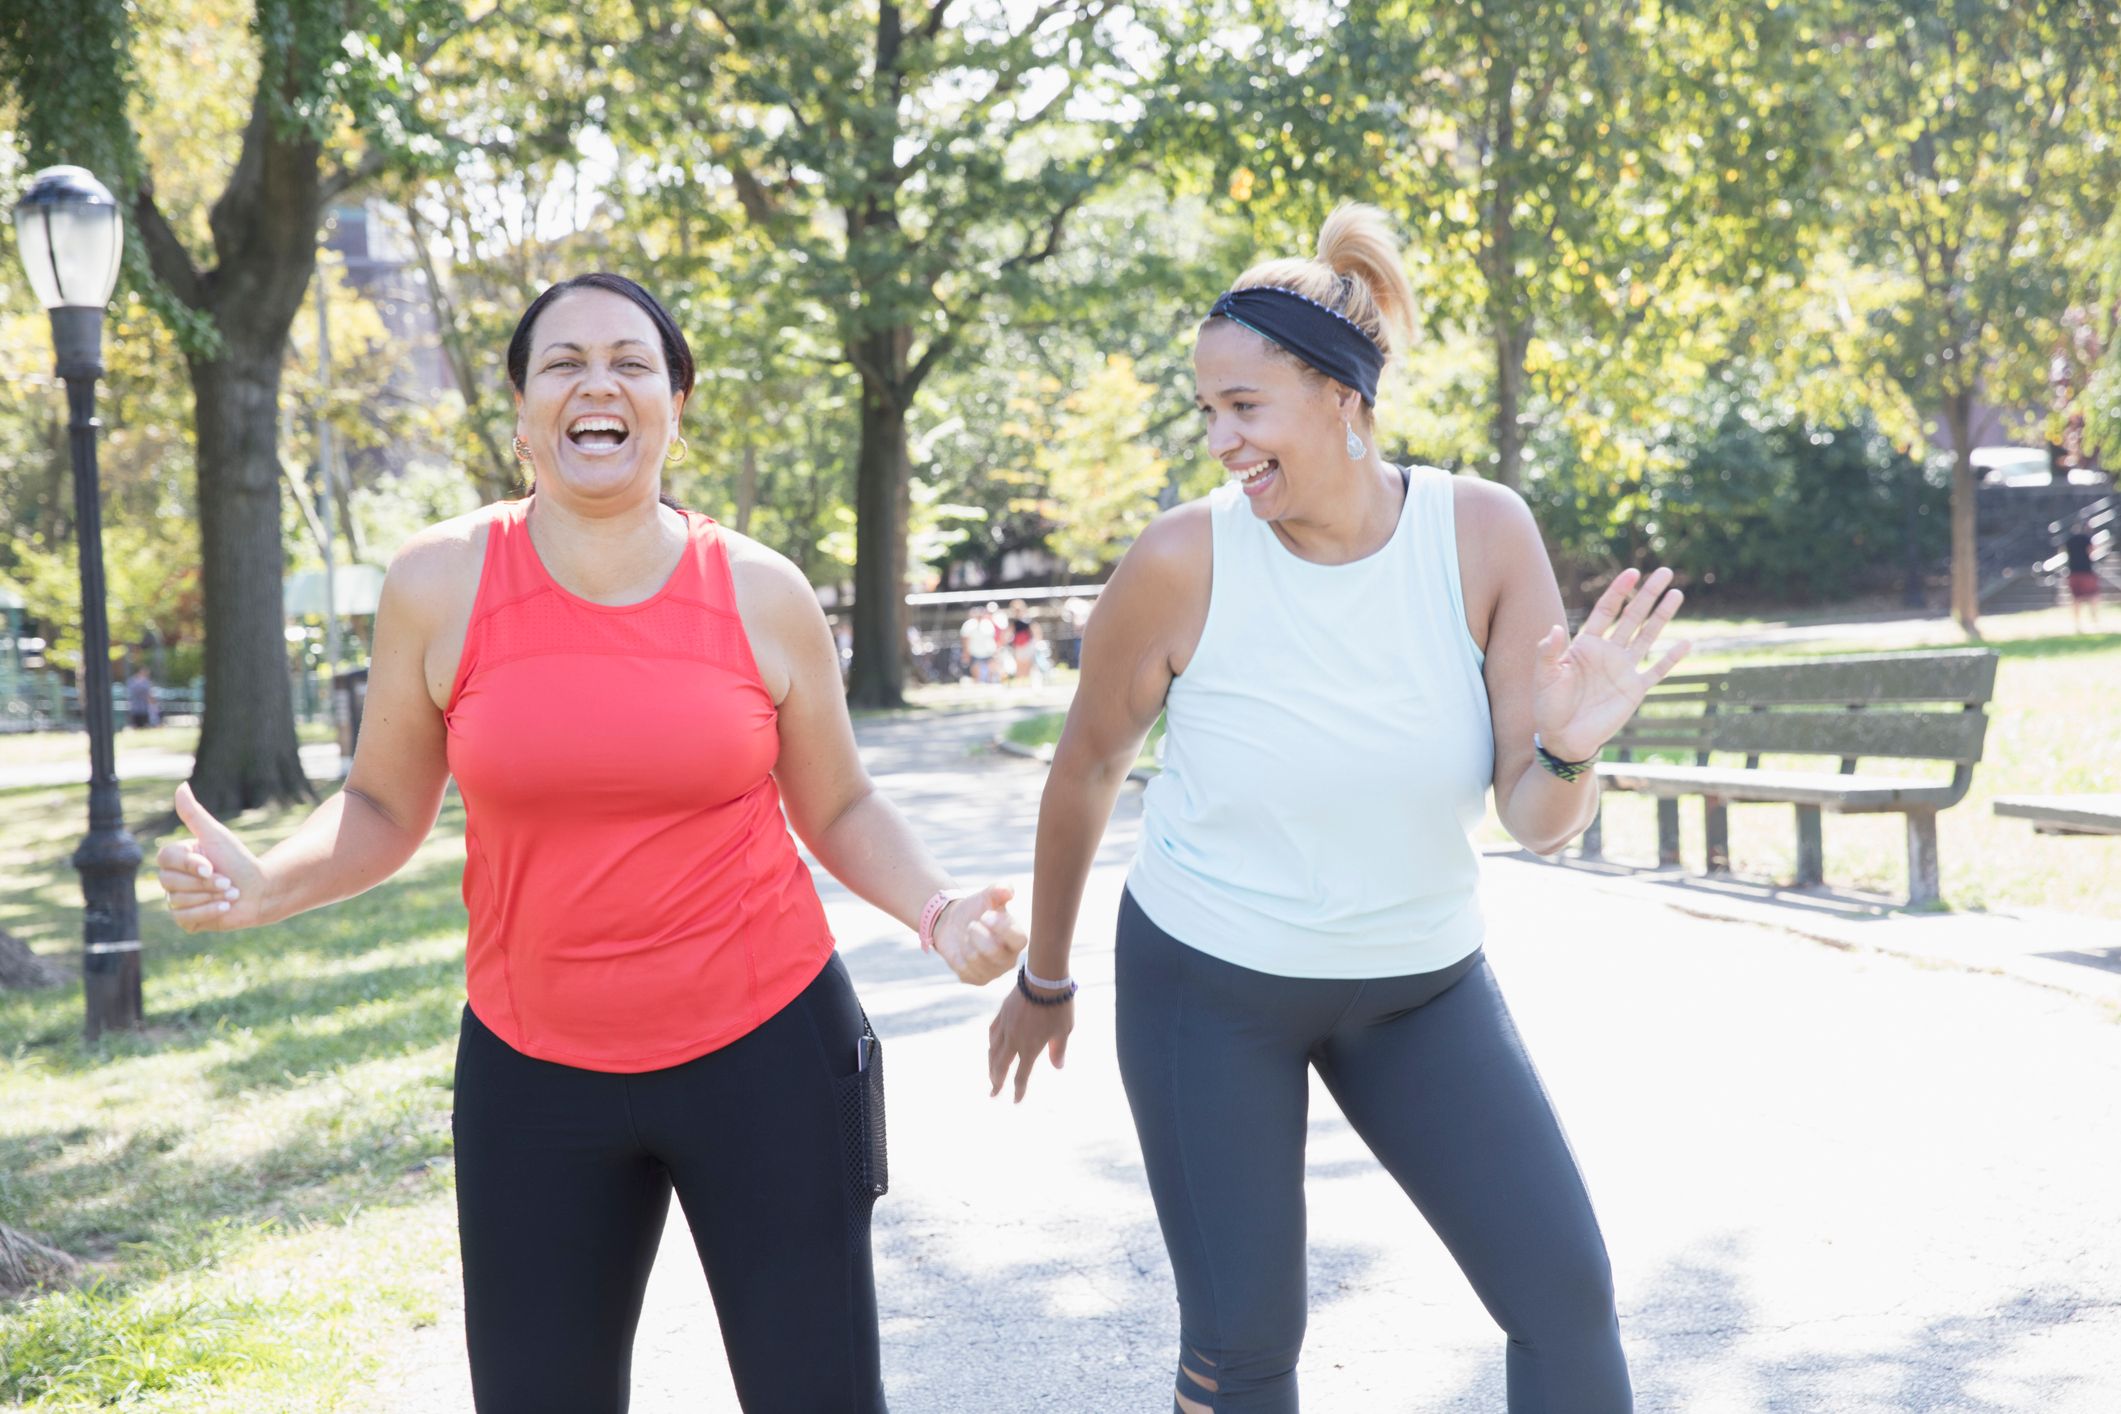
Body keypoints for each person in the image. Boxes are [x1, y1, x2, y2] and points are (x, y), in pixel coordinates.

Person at [156, 272, 1027, 1414]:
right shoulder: (439, 583)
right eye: (562, 363)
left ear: (675, 402)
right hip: (534, 1071)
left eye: (630, 361)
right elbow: (380, 807)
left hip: (765, 1052)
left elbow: (842, 806)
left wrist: (939, 908)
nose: (596, 383)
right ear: (520, 413)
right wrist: (266, 885)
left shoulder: (761, 591)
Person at [986, 205, 1690, 1414]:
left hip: (1420, 988)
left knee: (1565, 1299)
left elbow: (1536, 816)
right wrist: (1045, 977)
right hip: (1208, 992)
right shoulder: (1180, 562)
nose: (1219, 438)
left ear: (1343, 397)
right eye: (1206, 409)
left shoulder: (1480, 533)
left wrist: (1570, 747)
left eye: (1245, 407)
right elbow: (1085, 771)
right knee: (1247, 1345)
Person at [2064, 522, 2100, 632]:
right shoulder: (2086, 538)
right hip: (2086, 571)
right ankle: (2094, 620)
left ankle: (2077, 623)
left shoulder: (2069, 540)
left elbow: (2064, 552)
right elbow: (2092, 551)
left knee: (2076, 599)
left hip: (2073, 572)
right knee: (2093, 596)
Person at [960, 602, 1001, 683]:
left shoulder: (988, 623)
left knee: (992, 672)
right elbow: (965, 640)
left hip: (988, 652)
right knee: (976, 673)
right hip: (975, 652)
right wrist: (966, 653)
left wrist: (995, 650)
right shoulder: (968, 625)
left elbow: (992, 638)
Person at [1007, 599, 1041, 686]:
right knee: (1019, 664)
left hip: (1028, 645)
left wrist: (1037, 643)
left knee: (1028, 664)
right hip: (1018, 645)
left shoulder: (1028, 620)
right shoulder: (1013, 621)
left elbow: (1036, 631)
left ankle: (1027, 683)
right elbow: (1009, 633)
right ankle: (1020, 682)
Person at [125, 663, 158, 729]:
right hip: (136, 708)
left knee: (144, 725)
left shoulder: (146, 682)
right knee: (137, 726)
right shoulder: (133, 681)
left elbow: (149, 695)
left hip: (143, 708)